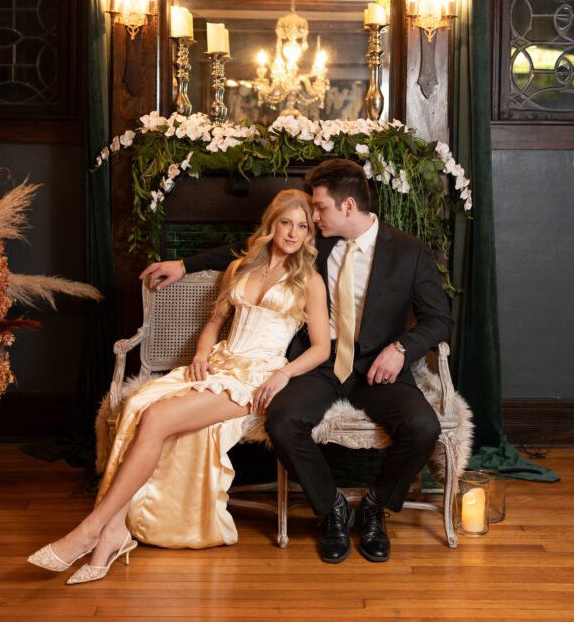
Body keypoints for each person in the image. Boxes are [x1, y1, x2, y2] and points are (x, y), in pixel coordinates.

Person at [143, 158, 452, 565]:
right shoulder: (314, 240)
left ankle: (377, 507)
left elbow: (438, 318)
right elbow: (246, 249)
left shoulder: (409, 251)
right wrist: (184, 265)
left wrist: (400, 350)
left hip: (379, 366)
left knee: (423, 426)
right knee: (283, 421)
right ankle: (333, 509)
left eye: (319, 208)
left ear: (346, 207)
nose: (310, 216)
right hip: (318, 363)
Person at [27, 189, 329, 584]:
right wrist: (202, 356)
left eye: (302, 226)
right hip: (219, 363)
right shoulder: (239, 268)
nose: (292, 232)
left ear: (309, 234)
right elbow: (213, 325)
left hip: (254, 378)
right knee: (137, 406)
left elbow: (323, 348)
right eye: (286, 222)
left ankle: (89, 531)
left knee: (155, 415)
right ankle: (112, 535)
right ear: (272, 223)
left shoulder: (310, 280)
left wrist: (284, 373)